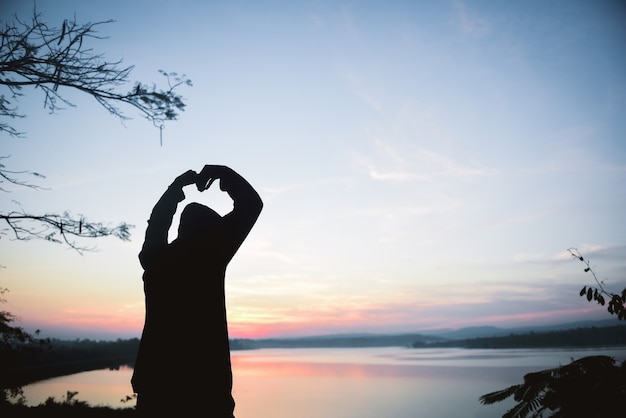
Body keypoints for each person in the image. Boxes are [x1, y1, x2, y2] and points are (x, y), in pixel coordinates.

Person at [131, 165, 263, 417]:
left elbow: (157, 225)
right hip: (206, 392)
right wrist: (223, 173)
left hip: (155, 387)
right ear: (211, 233)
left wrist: (175, 190)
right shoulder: (209, 256)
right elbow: (251, 205)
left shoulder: (155, 260)